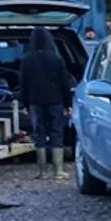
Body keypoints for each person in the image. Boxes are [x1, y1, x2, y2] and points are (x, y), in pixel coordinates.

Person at [18, 27, 74, 179]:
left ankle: (42, 172)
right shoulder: (56, 58)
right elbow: (65, 82)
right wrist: (68, 104)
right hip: (56, 100)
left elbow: (23, 84)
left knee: (39, 134)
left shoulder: (26, 59)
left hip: (35, 102)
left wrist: (25, 104)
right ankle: (58, 170)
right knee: (57, 133)